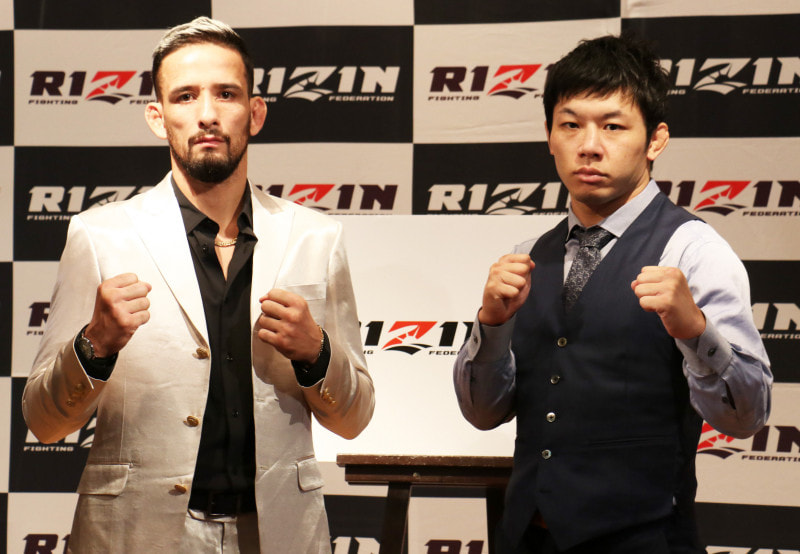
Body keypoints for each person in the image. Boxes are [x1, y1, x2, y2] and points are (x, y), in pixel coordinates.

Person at [23, 17, 374, 554]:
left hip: (279, 534)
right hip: (135, 535)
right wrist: (94, 345)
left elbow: (355, 418)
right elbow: (44, 422)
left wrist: (316, 353)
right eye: (185, 96)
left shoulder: (317, 237)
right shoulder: (100, 236)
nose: (207, 114)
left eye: (226, 94)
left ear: (255, 112)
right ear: (157, 117)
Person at [453, 34, 771, 554]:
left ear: (655, 140)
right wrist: (491, 326)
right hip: (524, 536)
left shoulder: (694, 251)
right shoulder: (528, 255)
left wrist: (695, 331)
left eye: (613, 126)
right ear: (549, 137)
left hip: (646, 540)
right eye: (570, 125)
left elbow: (747, 415)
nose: (589, 145)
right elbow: (483, 414)